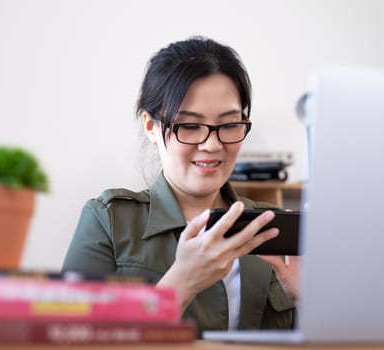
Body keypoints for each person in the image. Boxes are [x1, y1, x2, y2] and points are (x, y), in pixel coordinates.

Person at [62, 36, 299, 336]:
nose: (212, 145)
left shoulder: (273, 228)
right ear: (151, 126)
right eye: (189, 126)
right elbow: (70, 338)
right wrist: (182, 282)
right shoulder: (109, 221)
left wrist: (309, 305)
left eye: (228, 125)